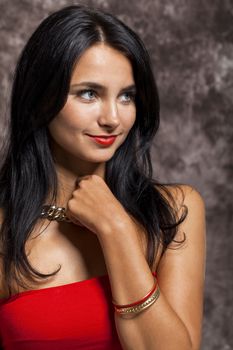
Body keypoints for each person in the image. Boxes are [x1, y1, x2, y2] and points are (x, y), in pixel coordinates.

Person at [0, 4, 206, 350]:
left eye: (126, 96)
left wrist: (116, 230)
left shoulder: (175, 211)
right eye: (89, 93)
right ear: (40, 98)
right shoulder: (6, 228)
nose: (112, 118)